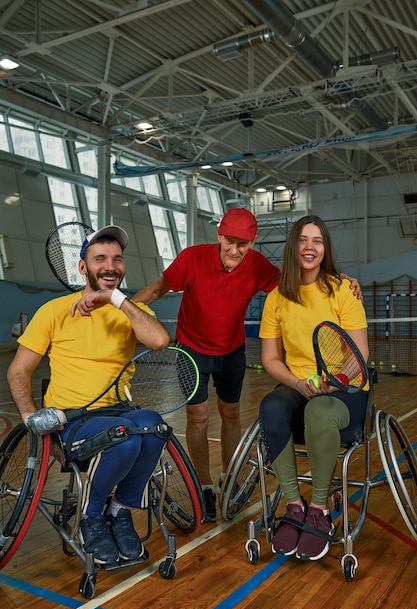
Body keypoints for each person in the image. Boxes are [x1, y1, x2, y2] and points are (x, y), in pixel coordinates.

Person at [132, 207, 363, 522]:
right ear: (219, 235)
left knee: (230, 413)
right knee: (198, 416)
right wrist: (127, 307)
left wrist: (344, 280)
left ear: (252, 244)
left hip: (232, 351)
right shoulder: (192, 258)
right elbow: (158, 289)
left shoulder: (257, 266)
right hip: (191, 350)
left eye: (243, 245)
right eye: (229, 241)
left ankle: (229, 477)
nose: (234, 250)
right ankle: (205, 486)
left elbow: (299, 282)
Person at [7, 225, 170, 566]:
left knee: (154, 427)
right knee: (123, 439)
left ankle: (120, 511)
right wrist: (28, 417)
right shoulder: (54, 311)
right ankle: (91, 516)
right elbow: (18, 370)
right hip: (72, 420)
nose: (110, 266)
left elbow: (158, 340)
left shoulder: (129, 310)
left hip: (118, 411)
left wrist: (115, 299)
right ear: (83, 267)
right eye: (100, 259)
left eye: (117, 259)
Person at [258, 214, 369, 561]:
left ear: (325, 248)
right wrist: (298, 383)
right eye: (303, 240)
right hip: (299, 383)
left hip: (346, 387)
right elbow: (271, 358)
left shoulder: (341, 290)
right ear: (293, 247)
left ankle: (319, 510)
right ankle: (294, 506)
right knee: (271, 408)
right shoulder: (276, 298)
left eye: (317, 240)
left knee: (321, 411)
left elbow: (360, 353)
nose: (310, 247)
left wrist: (334, 381)